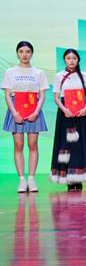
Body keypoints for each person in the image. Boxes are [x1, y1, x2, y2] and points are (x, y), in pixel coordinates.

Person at [2, 41, 49, 192]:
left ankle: (32, 179)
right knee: (18, 145)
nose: (24, 54)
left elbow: (42, 95)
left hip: (34, 111)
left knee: (33, 144)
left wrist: (36, 112)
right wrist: (15, 113)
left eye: (28, 51)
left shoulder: (39, 72)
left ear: (31, 54)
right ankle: (22, 179)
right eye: (21, 51)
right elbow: (7, 95)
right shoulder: (10, 72)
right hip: (16, 111)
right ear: (17, 53)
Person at [50, 48, 86, 190]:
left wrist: (85, 109)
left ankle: (80, 177)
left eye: (74, 58)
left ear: (78, 60)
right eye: (68, 58)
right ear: (64, 60)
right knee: (66, 145)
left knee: (80, 144)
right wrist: (65, 110)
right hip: (66, 115)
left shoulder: (84, 75)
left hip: (81, 115)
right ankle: (68, 179)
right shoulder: (59, 76)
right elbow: (56, 98)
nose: (71, 61)